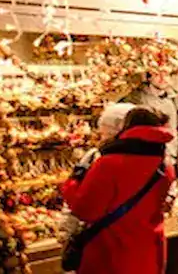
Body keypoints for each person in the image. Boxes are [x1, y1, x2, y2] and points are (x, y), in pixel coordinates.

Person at [60, 107, 176, 274]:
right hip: (149, 251)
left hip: (110, 252)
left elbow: (86, 210)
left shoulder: (108, 164)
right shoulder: (165, 166)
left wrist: (72, 184)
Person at [57, 103, 137, 246]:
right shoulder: (160, 160)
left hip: (105, 242)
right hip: (144, 243)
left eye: (104, 133)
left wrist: (66, 232)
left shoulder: (100, 161)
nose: (101, 137)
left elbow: (84, 205)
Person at [122, 69, 178, 183]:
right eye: (157, 74)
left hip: (173, 157)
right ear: (149, 76)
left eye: (166, 74)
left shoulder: (177, 100)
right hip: (147, 158)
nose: (162, 78)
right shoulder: (135, 100)